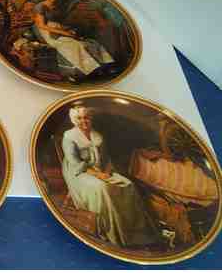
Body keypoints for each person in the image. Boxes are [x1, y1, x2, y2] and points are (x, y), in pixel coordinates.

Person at [61, 106, 159, 247]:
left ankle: (134, 233)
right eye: (79, 118)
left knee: (128, 184)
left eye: (86, 117)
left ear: (91, 118)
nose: (83, 121)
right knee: (103, 188)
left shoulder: (97, 135)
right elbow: (74, 163)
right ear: (74, 120)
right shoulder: (69, 137)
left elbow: (106, 159)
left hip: (100, 169)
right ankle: (112, 232)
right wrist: (97, 174)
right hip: (79, 172)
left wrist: (107, 172)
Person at [32, 0, 115, 80]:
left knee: (90, 42)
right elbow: (41, 26)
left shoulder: (57, 5)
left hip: (57, 28)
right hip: (46, 32)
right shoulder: (40, 6)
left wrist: (67, 29)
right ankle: (86, 71)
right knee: (74, 45)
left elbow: (58, 22)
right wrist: (64, 32)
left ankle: (104, 66)